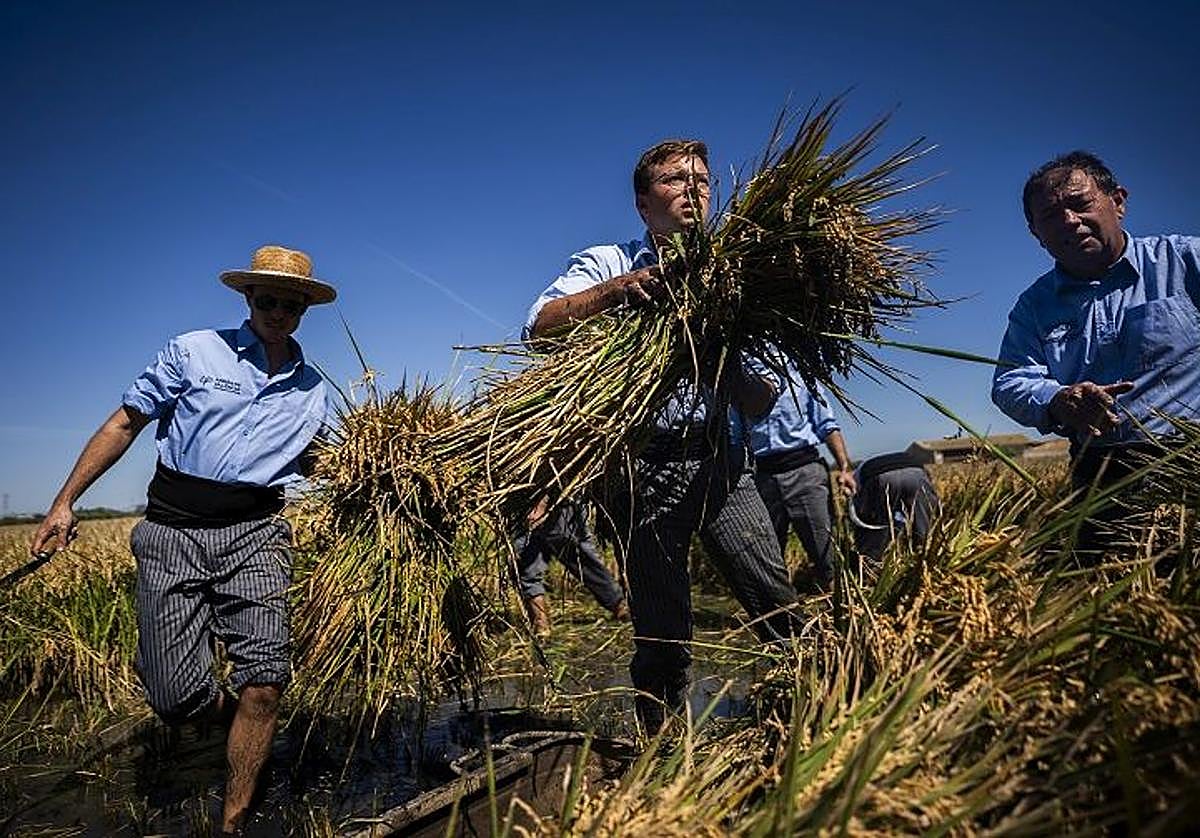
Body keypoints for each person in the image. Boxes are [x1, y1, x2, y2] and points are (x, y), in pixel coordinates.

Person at [31, 245, 336, 834]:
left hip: (258, 534)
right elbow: (124, 423)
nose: (278, 311)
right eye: (268, 299)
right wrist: (64, 503)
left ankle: (234, 819)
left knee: (265, 684)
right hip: (173, 532)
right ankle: (239, 724)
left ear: (304, 310)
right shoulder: (194, 351)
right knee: (175, 697)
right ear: (249, 299)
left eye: (290, 304)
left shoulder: (313, 390)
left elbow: (323, 462)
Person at [524, 139, 801, 733]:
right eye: (675, 179)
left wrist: (715, 358)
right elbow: (539, 327)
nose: (693, 189)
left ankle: (804, 722)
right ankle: (662, 752)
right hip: (639, 472)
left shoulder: (738, 278)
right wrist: (620, 291)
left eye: (702, 179)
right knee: (662, 629)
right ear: (643, 204)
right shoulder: (609, 262)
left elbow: (763, 397)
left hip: (720, 462)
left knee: (775, 600)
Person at [991, 151, 1200, 536]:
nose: (1069, 221)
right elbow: (1010, 382)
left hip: (1189, 457)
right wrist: (1058, 400)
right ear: (1036, 234)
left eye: (1080, 204)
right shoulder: (1034, 306)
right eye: (1050, 216)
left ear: (1117, 201)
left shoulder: (1186, 261)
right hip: (1099, 473)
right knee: (1102, 585)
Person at [737, 368, 857, 589]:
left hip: (805, 472)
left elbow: (827, 425)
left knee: (825, 551)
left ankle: (839, 608)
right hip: (761, 476)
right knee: (767, 556)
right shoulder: (739, 378)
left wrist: (845, 468)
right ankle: (781, 615)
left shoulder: (803, 377)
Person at [515, 499, 628, 637]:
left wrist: (542, 502)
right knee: (526, 566)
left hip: (557, 503)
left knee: (580, 557)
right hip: (521, 507)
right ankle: (541, 626)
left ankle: (619, 605)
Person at [849, 452, 939, 561]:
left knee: (876, 524)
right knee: (924, 522)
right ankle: (924, 554)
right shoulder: (907, 458)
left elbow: (860, 510)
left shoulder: (859, 472)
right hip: (916, 474)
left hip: (880, 477)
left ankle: (871, 560)